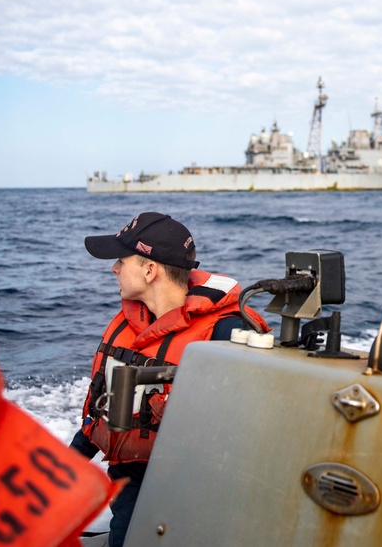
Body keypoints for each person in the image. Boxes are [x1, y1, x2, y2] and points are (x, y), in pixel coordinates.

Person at [70, 212, 267, 547]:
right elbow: (103, 412)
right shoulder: (131, 325)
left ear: (150, 270)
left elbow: (251, 441)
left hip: (190, 492)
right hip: (131, 481)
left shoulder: (225, 335)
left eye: (121, 260)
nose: (113, 269)